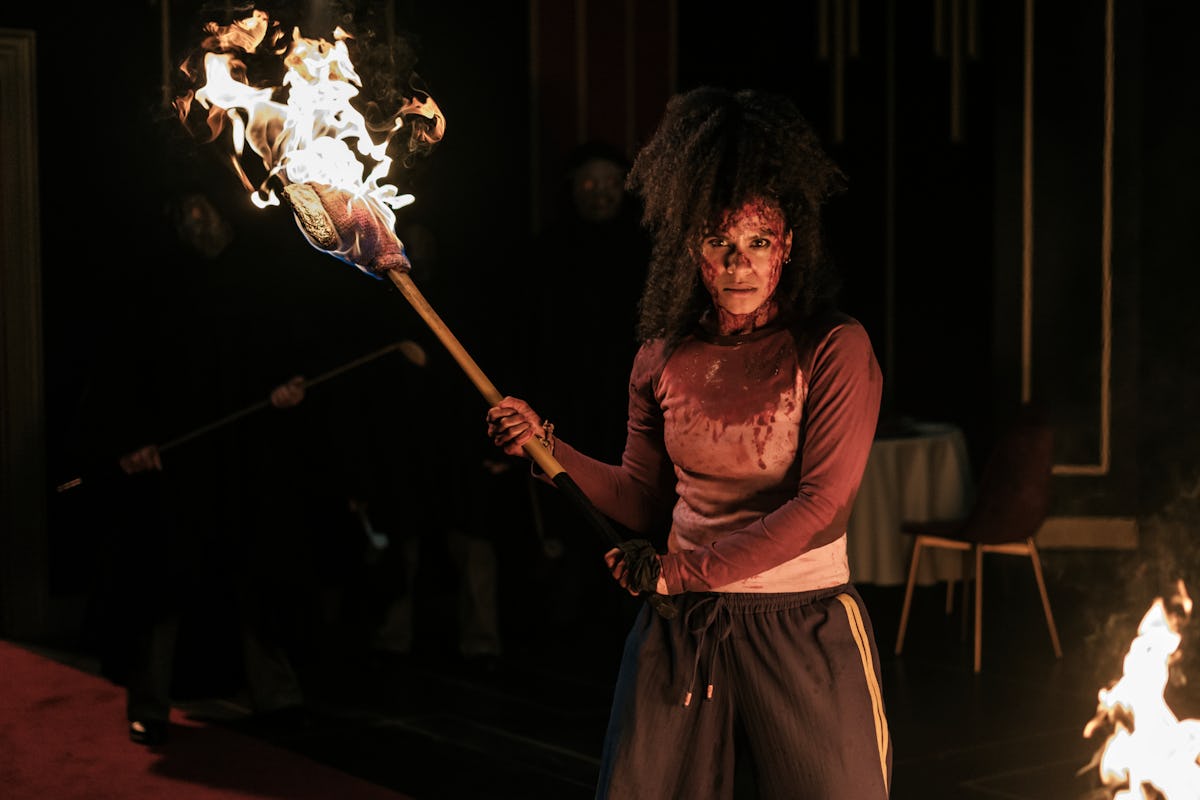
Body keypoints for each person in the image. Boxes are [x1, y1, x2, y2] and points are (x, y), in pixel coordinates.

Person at [485, 87, 891, 798]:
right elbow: (643, 498)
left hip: (797, 621)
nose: (739, 264)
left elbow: (822, 507)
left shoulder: (834, 346)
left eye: (758, 243)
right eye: (719, 243)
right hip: (680, 625)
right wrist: (546, 451)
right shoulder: (661, 354)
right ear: (692, 251)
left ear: (788, 246)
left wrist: (681, 572)